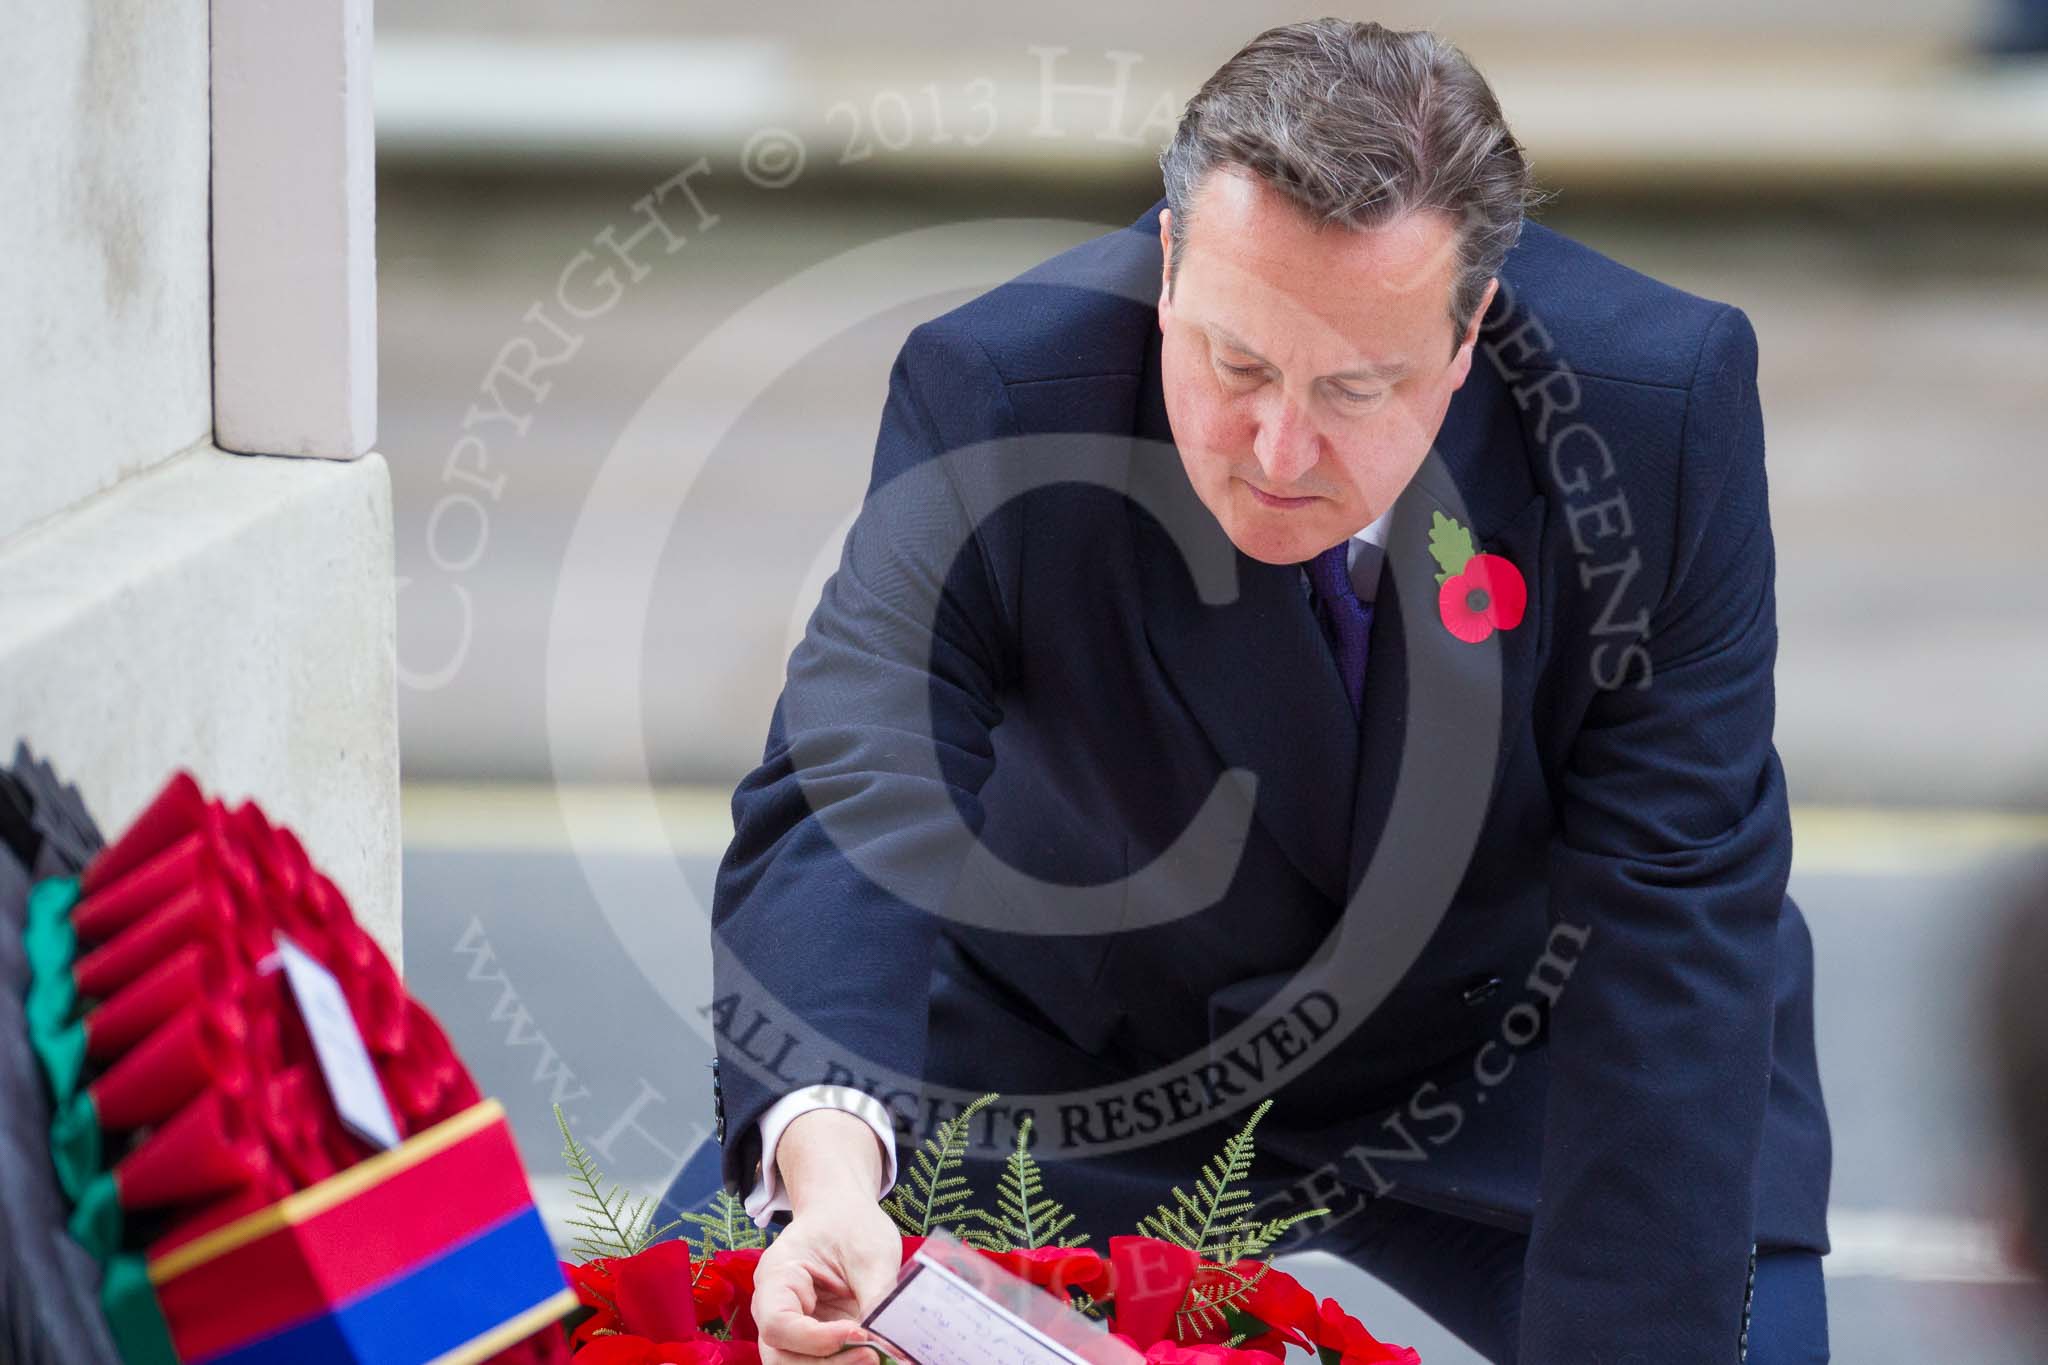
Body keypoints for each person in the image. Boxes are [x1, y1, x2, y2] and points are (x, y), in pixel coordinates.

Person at [697, 19, 1831, 1363]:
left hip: (1531, 1059)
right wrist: (830, 1175)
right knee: (708, 1321)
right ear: (1171, 267)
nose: (1281, 449)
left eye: (1359, 386)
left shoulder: (1654, 415)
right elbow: (848, 791)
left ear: (1470, 327)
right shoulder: (1000, 390)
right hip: (1077, 1054)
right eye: (1236, 365)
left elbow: (1674, 895)